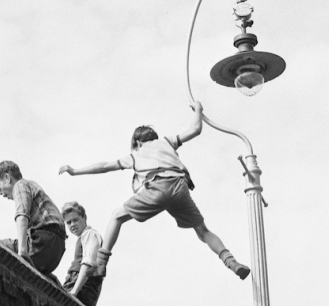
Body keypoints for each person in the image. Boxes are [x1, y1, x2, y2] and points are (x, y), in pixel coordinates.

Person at [58, 101, 251, 280]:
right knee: (202, 231)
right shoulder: (167, 142)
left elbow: (104, 166)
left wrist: (75, 171)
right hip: (179, 188)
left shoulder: (136, 153)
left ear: (137, 142)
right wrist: (199, 109)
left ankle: (100, 263)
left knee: (117, 216)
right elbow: (195, 129)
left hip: (157, 187)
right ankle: (231, 262)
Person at [0, 160, 67, 276]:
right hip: (56, 250)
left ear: (7, 177)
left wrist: (22, 251)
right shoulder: (32, 184)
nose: (1, 193)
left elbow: (22, 215)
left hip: (43, 242)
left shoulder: (19, 185)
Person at [60, 201, 105, 306]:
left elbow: (88, 263)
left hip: (81, 285)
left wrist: (74, 291)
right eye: (69, 222)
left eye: (75, 220)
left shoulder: (90, 234)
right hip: (80, 284)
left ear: (84, 217)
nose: (72, 225)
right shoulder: (83, 237)